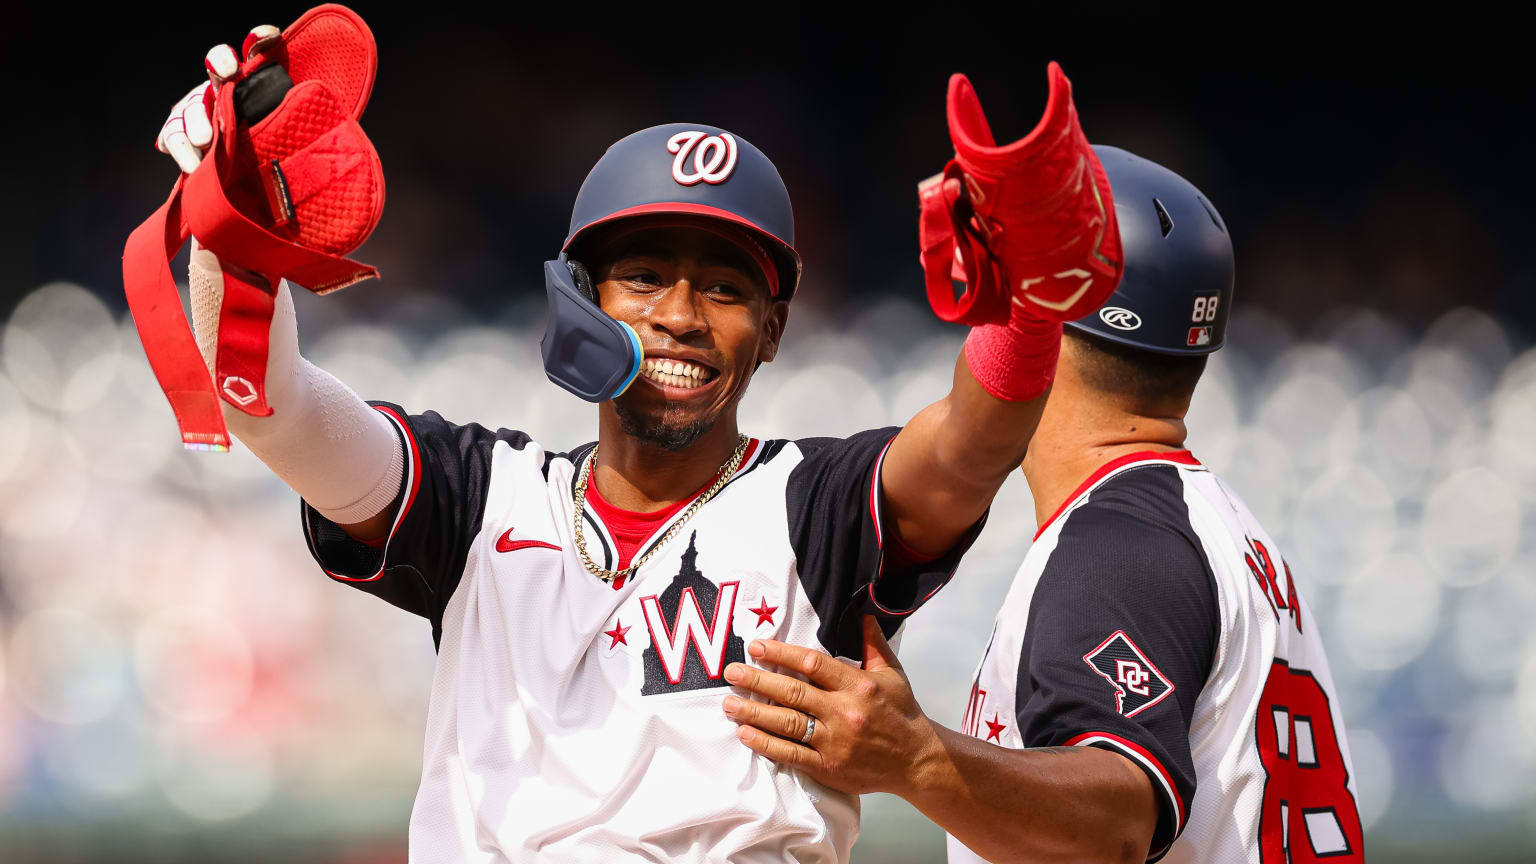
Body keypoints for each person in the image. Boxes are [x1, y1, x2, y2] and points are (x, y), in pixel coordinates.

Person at [149, 23, 1123, 864]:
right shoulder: (477, 494)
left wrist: (1028, 313)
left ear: (775, 332)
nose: (683, 317)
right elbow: (268, 407)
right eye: (646, 275)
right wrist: (227, 229)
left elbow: (966, 447)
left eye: (728, 288)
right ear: (582, 295)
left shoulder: (814, 504)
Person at [720, 147, 1365, 863]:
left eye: (999, 304)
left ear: (1038, 329)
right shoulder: (1219, 526)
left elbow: (1114, 821)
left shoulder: (1116, 543)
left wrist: (918, 760)